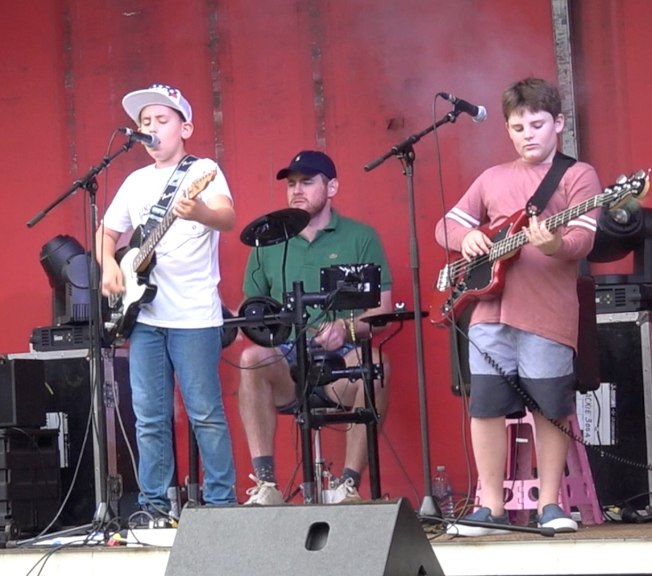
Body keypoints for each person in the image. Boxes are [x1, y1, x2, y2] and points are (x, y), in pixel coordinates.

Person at [435, 77, 601, 535]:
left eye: (537, 124)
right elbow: (445, 225)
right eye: (517, 126)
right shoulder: (492, 178)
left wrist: (551, 245)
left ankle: (550, 505)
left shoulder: (577, 175)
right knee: (484, 407)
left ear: (559, 124)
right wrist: (465, 236)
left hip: (546, 313)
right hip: (489, 311)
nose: (528, 133)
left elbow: (584, 237)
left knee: (551, 406)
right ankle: (490, 507)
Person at [96, 83, 237, 513]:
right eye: (145, 122)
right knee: (149, 417)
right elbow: (108, 233)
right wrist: (108, 265)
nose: (152, 128)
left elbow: (228, 218)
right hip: (146, 317)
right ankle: (154, 506)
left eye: (162, 120)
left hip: (194, 316)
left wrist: (201, 213)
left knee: (204, 414)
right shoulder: (135, 180)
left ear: (185, 127)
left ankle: (220, 504)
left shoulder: (204, 170)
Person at [239, 150, 394, 505]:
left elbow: (382, 307)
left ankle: (348, 485)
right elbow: (253, 308)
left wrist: (347, 328)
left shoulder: (360, 236)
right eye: (291, 184)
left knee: (378, 366)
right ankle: (266, 485)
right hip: (288, 358)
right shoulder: (266, 241)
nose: (296, 190)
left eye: (307, 182)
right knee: (250, 358)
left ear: (332, 186)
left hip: (341, 360)